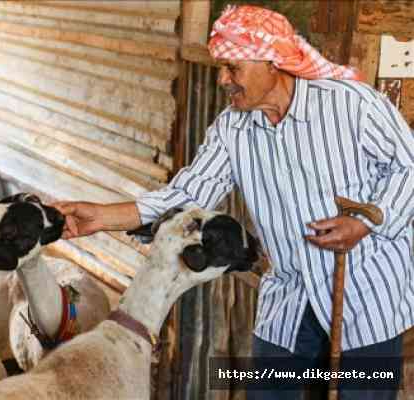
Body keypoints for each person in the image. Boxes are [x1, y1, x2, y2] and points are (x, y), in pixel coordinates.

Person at [53, 5, 413, 400]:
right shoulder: (233, 127)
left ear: (272, 63)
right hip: (290, 294)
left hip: (365, 289)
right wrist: (102, 217)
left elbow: (408, 169)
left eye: (232, 68)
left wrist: (367, 223)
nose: (223, 79)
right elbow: (187, 194)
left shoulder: (352, 106)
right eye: (221, 68)